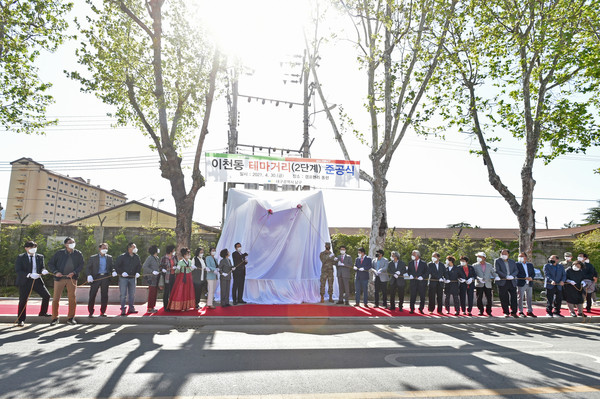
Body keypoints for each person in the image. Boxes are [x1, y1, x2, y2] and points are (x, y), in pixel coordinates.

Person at [48, 237, 84, 325]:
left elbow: (81, 265)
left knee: (72, 298)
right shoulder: (59, 253)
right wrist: (56, 272)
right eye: (70, 242)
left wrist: (74, 272)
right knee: (56, 298)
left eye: (73, 242)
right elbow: (51, 263)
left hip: (72, 279)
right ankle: (54, 318)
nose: (72, 244)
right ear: (65, 244)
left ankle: (71, 318)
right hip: (59, 279)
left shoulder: (78, 253)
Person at [15, 241, 51, 327]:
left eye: (35, 247)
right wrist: (29, 275)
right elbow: (18, 270)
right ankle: (21, 320)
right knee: (23, 300)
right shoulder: (21, 257)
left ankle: (43, 312)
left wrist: (43, 271)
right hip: (25, 280)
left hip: (37, 280)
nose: (33, 249)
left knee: (46, 296)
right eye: (31, 248)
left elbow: (42, 267)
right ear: (26, 248)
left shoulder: (40, 257)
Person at [86, 242, 114, 317]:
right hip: (96, 278)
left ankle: (103, 312)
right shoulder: (93, 257)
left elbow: (111, 267)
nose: (105, 249)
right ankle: (91, 312)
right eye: (103, 248)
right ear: (99, 248)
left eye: (106, 248)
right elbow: (88, 267)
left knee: (104, 295)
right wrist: (89, 275)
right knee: (92, 295)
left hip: (105, 277)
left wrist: (114, 271)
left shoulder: (109, 257)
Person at [115, 242, 142, 316]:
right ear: (129, 248)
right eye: (134, 247)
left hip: (132, 278)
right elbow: (117, 266)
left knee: (132, 294)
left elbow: (139, 266)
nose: (135, 249)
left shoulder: (136, 257)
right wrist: (121, 272)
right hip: (123, 278)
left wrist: (138, 272)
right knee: (123, 294)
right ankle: (123, 309)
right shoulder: (122, 256)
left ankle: (131, 308)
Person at [494, 249, 519, 318]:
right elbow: (497, 270)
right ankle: (506, 312)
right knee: (504, 297)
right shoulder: (497, 261)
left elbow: (516, 270)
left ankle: (514, 312)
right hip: (502, 281)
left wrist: (512, 276)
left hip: (512, 281)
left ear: (508, 254)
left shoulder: (512, 261)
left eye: (505, 254)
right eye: (502, 253)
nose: (504, 255)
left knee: (514, 297)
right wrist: (505, 276)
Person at [473, 252, 496, 316]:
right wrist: (478, 278)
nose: (478, 258)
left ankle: (489, 311)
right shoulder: (474, 265)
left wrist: (496, 276)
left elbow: (493, 272)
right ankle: (481, 310)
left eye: (480, 257)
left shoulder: (489, 265)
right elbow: (473, 274)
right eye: (478, 257)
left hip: (487, 284)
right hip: (479, 284)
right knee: (479, 298)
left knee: (489, 298)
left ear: (484, 258)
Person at [515, 252, 536, 317]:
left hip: (529, 283)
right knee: (520, 297)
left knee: (529, 297)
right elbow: (516, 273)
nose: (520, 258)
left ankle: (529, 311)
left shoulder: (530, 265)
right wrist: (524, 277)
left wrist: (531, 278)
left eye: (522, 256)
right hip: (521, 282)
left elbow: (533, 273)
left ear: (525, 257)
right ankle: (520, 311)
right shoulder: (517, 264)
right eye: (519, 256)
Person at [407, 250, 428, 314]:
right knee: (412, 296)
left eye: (414, 255)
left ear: (418, 256)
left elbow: (427, 272)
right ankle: (412, 309)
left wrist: (422, 277)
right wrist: (410, 275)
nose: (412, 256)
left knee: (422, 296)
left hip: (421, 282)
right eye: (412, 254)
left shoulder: (423, 263)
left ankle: (421, 308)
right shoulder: (410, 263)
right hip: (413, 282)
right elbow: (409, 271)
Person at [142, 245, 161, 313]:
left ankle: (153, 306)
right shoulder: (150, 258)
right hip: (151, 278)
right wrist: (152, 271)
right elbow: (144, 266)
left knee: (155, 293)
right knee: (152, 293)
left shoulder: (157, 258)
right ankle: (149, 308)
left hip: (156, 278)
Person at [160, 244, 177, 311]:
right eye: (173, 249)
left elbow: (177, 264)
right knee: (166, 291)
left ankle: (171, 305)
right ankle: (166, 306)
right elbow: (160, 266)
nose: (174, 250)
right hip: (167, 276)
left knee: (172, 291)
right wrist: (163, 269)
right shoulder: (164, 258)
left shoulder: (174, 257)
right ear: (171, 250)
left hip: (173, 275)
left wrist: (176, 267)